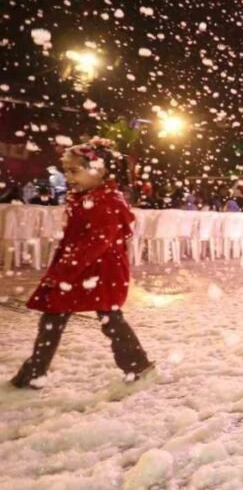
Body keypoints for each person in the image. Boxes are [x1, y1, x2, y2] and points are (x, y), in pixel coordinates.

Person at [9, 138, 154, 389]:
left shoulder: (105, 201)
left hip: (98, 270)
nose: (68, 176)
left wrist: (65, 269)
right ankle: (35, 370)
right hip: (83, 269)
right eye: (67, 170)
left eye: (74, 170)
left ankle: (136, 363)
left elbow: (96, 242)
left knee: (106, 318)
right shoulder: (89, 197)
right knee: (59, 316)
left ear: (100, 170)